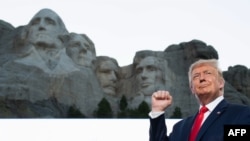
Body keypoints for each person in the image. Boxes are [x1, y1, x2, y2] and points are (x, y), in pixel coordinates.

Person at [149, 59, 250, 141]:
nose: (202, 78)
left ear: (221, 83)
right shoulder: (180, 128)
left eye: (208, 73)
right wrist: (157, 111)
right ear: (192, 88)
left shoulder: (241, 115)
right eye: (196, 76)